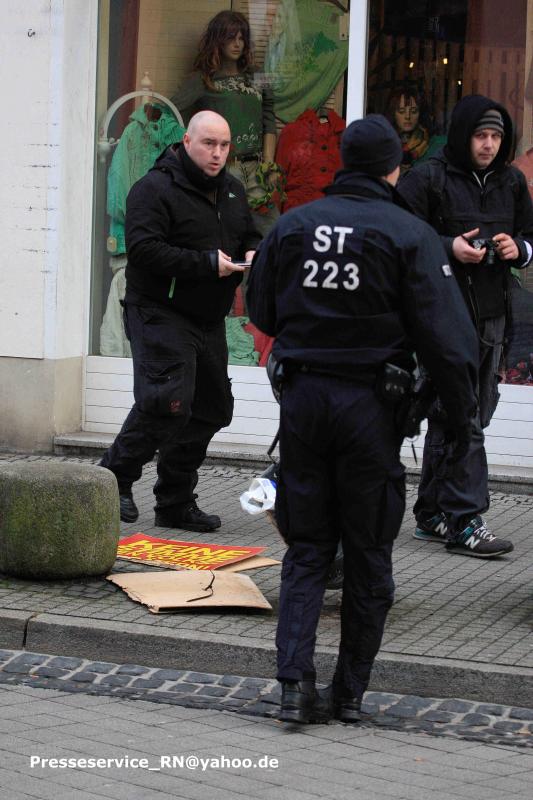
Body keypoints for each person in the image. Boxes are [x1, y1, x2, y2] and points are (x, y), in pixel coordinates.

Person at [246, 114, 479, 724]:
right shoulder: (410, 233)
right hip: (373, 410)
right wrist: (463, 424)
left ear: (343, 162)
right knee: (370, 551)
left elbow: (264, 310)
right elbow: (450, 343)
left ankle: (294, 686)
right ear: (393, 168)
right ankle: (347, 694)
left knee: (308, 547)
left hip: (303, 403)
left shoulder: (293, 226)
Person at [100, 110, 261, 530]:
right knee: (166, 403)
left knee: (212, 408)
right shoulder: (153, 189)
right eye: (209, 144)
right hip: (158, 310)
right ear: (186, 141)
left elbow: (248, 233)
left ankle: (173, 502)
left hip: (208, 316)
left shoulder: (231, 190)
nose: (218, 153)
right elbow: (144, 250)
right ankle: (111, 479)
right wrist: (207, 265)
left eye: (225, 145)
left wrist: (254, 252)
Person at [397, 94, 533, 557]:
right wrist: (448, 247)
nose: (489, 145)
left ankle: (432, 512)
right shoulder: (429, 178)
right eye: (481, 135)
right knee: (463, 417)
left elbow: (531, 235)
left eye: (496, 136)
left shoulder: (512, 183)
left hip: (492, 315)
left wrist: (519, 248)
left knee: (464, 414)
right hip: (441, 315)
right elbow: (397, 236)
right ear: (463, 135)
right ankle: (465, 520)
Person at [171, 10, 282, 236]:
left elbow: (268, 118)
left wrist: (269, 163)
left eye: (241, 38)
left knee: (271, 231)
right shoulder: (203, 80)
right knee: (226, 232)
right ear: (218, 40)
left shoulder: (256, 77)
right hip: (223, 167)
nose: (237, 44)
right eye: (231, 38)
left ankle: (259, 272)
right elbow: (172, 112)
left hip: (256, 168)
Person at [385, 85, 446, 174]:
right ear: (393, 114)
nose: (407, 116)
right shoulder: (384, 146)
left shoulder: (436, 145)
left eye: (413, 111)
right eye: (401, 111)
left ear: (420, 113)